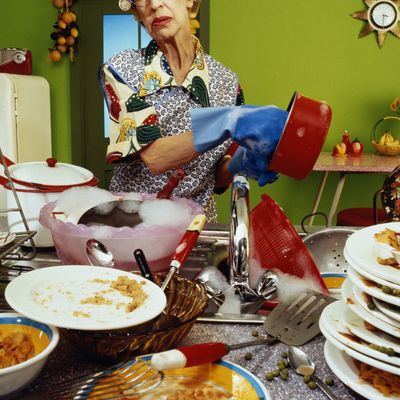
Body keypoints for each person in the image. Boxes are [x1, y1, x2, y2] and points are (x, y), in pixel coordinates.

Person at [99, 0, 288, 221]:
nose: (154, 5)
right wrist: (227, 122)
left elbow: (212, 178)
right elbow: (155, 157)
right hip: (133, 226)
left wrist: (240, 163)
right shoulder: (121, 69)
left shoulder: (226, 82)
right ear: (138, 12)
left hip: (197, 228)